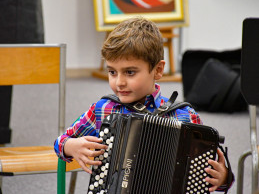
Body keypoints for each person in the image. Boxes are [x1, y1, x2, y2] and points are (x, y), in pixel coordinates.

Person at [54, 17, 233, 192]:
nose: (119, 82)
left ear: (158, 70)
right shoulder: (103, 109)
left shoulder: (185, 116)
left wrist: (224, 177)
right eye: (112, 72)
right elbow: (61, 142)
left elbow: (216, 173)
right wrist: (70, 146)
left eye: (130, 72)